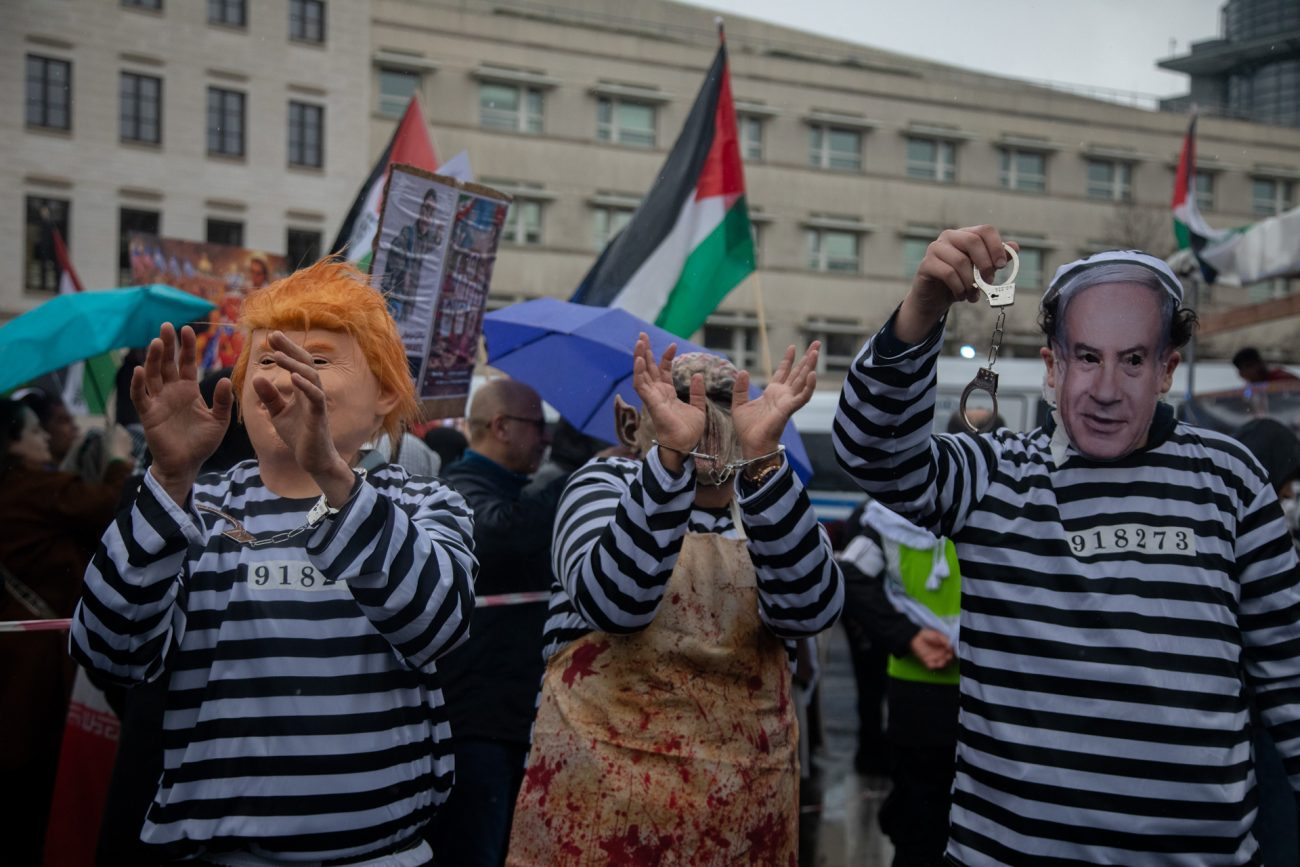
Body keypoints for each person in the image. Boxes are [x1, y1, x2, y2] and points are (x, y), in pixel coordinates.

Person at [833, 225, 1300, 865]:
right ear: (1052, 364)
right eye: (1086, 357)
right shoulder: (996, 475)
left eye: (1133, 360)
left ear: (1166, 368)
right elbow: (871, 451)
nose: (1106, 389)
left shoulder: (1233, 479)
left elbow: (1290, 677)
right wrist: (923, 308)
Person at [70, 258, 477, 866]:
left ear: (386, 393)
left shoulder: (424, 502)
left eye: (315, 361)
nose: (284, 381)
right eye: (267, 360)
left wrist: (331, 474)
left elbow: (437, 625)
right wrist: (168, 479)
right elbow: (110, 652)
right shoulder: (193, 508)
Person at [507, 340, 844, 864]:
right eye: (681, 404)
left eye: (718, 407)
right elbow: (614, 605)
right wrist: (669, 466)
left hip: (741, 821)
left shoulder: (772, 499)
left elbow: (812, 610)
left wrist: (761, 469)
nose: (703, 421)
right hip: (599, 812)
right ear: (641, 423)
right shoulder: (604, 485)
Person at [427, 380, 566, 867]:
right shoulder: (457, 487)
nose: (545, 440)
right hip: (476, 718)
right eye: (539, 427)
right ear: (502, 427)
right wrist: (571, 474)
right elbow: (499, 534)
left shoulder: (517, 488)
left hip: (511, 714)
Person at [0, 398, 134, 866]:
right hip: (37, 669)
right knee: (36, 779)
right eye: (35, 431)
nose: (44, 438)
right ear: (13, 442)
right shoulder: (34, 488)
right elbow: (113, 505)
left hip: (15, 660)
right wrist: (118, 456)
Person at [381, 189, 442, 322]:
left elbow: (434, 245)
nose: (428, 213)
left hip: (410, 306)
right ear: (420, 209)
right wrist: (404, 273)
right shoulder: (407, 235)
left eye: (432, 211)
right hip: (395, 301)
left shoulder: (426, 239)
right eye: (426, 208)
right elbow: (392, 265)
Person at [1233, 346, 1300, 384]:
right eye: (1241, 370)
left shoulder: (1282, 379)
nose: (1243, 373)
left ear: (1260, 363)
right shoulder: (1251, 387)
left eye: (1248, 366)